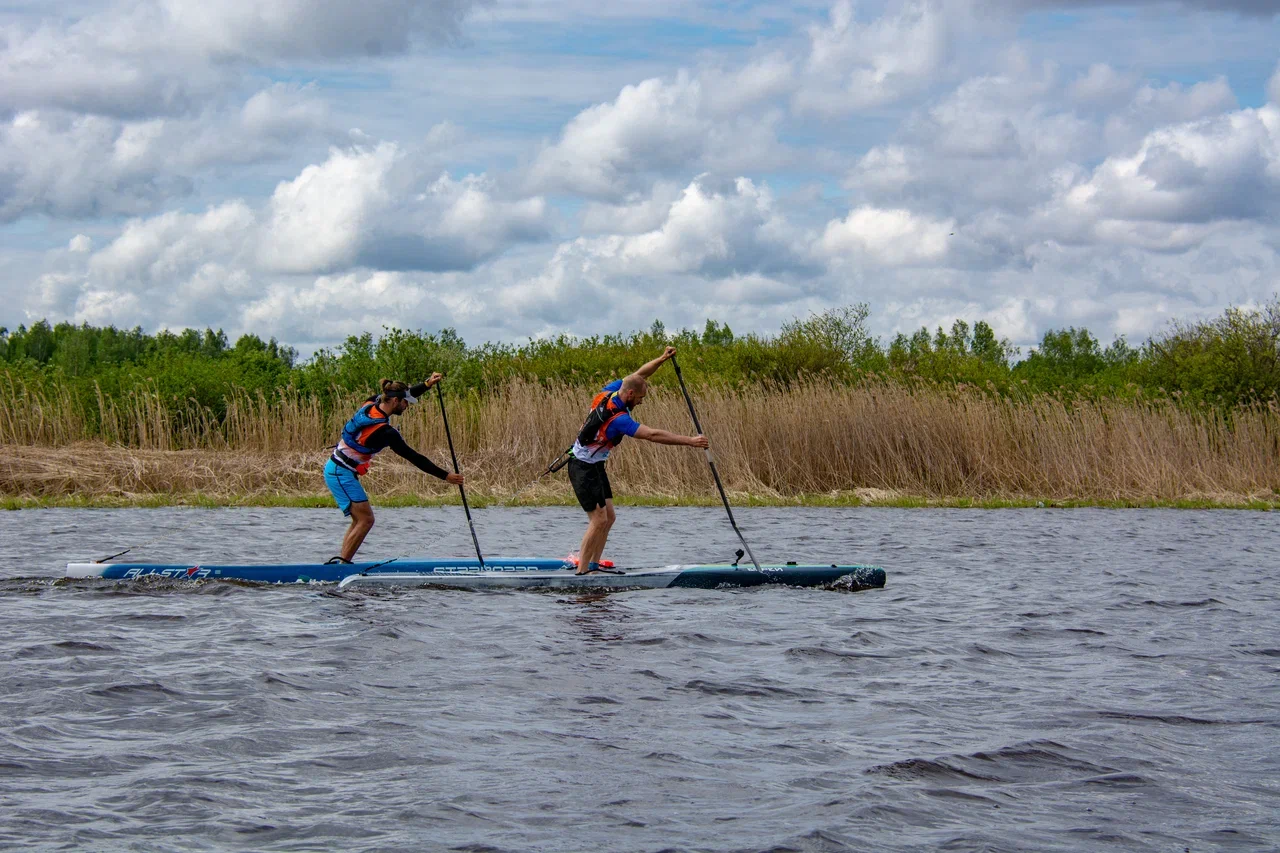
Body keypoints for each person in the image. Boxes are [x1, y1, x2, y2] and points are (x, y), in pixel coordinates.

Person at [567, 346, 709, 574]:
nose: (642, 402)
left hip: (595, 465)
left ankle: (593, 566)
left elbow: (640, 375)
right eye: (641, 398)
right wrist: (690, 441)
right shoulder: (619, 419)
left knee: (609, 518)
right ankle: (581, 574)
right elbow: (652, 435)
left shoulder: (610, 391)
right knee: (598, 520)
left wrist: (662, 359)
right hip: (582, 468)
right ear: (631, 395)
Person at [323, 375, 463, 564]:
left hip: (339, 470)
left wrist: (428, 384)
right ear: (396, 401)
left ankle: (342, 564)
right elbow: (414, 457)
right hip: (340, 472)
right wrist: (446, 476)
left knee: (360, 520)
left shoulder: (374, 401)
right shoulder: (385, 432)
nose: (408, 406)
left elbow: (408, 392)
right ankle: (342, 567)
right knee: (366, 520)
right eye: (406, 403)